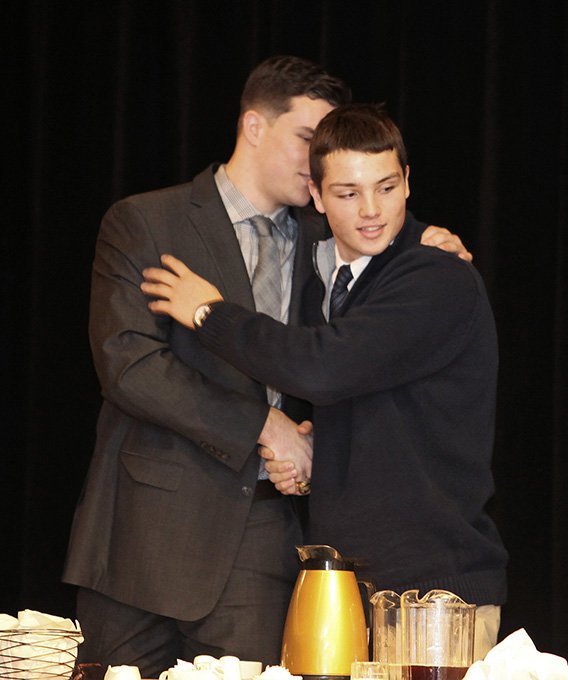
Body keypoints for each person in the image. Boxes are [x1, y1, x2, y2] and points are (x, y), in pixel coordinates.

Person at [64, 56, 469, 676]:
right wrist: (263, 426)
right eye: (309, 140)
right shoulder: (148, 219)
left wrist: (429, 243)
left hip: (262, 530)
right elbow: (130, 364)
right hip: (143, 530)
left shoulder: (326, 233)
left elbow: (374, 269)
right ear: (253, 126)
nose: (321, 162)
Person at [140, 103, 508, 660]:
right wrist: (313, 453)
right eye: (347, 193)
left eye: (386, 187)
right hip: (344, 581)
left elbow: (324, 367)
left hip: (435, 589)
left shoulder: (435, 275)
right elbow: (374, 406)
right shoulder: (330, 283)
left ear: (408, 182)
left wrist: (209, 314)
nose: (371, 211)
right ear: (314, 195)